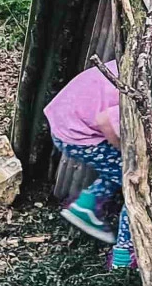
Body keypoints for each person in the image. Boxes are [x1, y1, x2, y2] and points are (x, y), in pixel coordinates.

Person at [45, 61, 134, 270]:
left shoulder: (130, 62)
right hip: (76, 133)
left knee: (117, 169)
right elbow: (106, 121)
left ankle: (87, 203)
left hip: (65, 118)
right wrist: (128, 154)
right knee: (136, 181)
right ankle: (123, 255)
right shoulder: (140, 90)